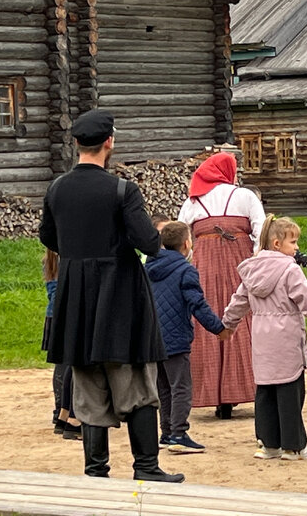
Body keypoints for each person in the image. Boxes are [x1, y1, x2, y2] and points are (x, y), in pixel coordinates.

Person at [40, 109, 183, 483]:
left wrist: (79, 255)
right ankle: (146, 467)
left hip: (75, 295)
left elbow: (48, 237)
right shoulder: (122, 190)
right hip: (120, 294)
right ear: (109, 143)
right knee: (135, 381)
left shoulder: (57, 189)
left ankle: (95, 470)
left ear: (76, 145)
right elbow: (150, 242)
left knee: (88, 385)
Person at [221, 216, 307, 461]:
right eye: (293, 242)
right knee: (290, 390)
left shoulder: (251, 269)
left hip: (261, 336)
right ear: (276, 243)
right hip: (286, 335)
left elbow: (239, 301)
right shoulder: (290, 269)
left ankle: (269, 443)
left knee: (265, 390)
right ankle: (294, 445)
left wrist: (227, 324)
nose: (296, 248)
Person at [177, 153, 265, 420]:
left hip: (204, 267)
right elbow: (261, 231)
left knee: (207, 317)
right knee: (242, 317)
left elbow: (181, 234)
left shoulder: (193, 201)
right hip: (241, 265)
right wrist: (258, 258)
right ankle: (243, 388)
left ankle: (215, 396)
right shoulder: (246, 196)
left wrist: (189, 261)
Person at [145, 221, 226, 454]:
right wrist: (218, 328)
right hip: (176, 336)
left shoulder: (149, 268)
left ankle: (167, 432)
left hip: (153, 337)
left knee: (163, 386)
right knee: (181, 386)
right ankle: (179, 433)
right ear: (187, 243)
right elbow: (197, 304)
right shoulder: (185, 270)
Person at [42, 249, 80, 439]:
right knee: (68, 366)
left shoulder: (50, 259)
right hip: (65, 316)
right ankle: (64, 412)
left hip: (54, 316)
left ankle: (60, 412)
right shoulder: (66, 259)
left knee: (62, 365)